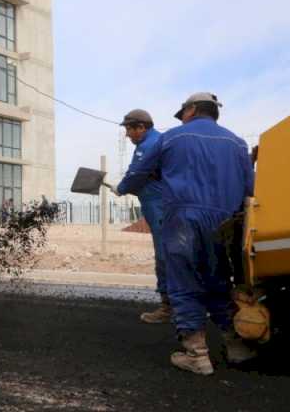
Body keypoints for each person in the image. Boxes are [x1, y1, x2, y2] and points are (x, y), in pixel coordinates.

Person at [120, 92, 255, 375]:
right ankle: (236, 346)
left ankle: (197, 355)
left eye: (183, 113)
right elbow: (249, 190)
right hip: (225, 223)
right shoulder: (237, 142)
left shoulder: (172, 138)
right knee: (219, 281)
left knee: (184, 282)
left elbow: (139, 173)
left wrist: (123, 187)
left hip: (183, 219)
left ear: (192, 110)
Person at [111, 109, 170, 324]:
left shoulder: (148, 145)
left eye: (129, 129)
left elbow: (137, 173)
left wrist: (121, 188)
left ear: (141, 127)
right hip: (162, 204)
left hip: (160, 207)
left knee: (165, 255)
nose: (127, 134)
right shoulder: (158, 142)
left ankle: (169, 307)